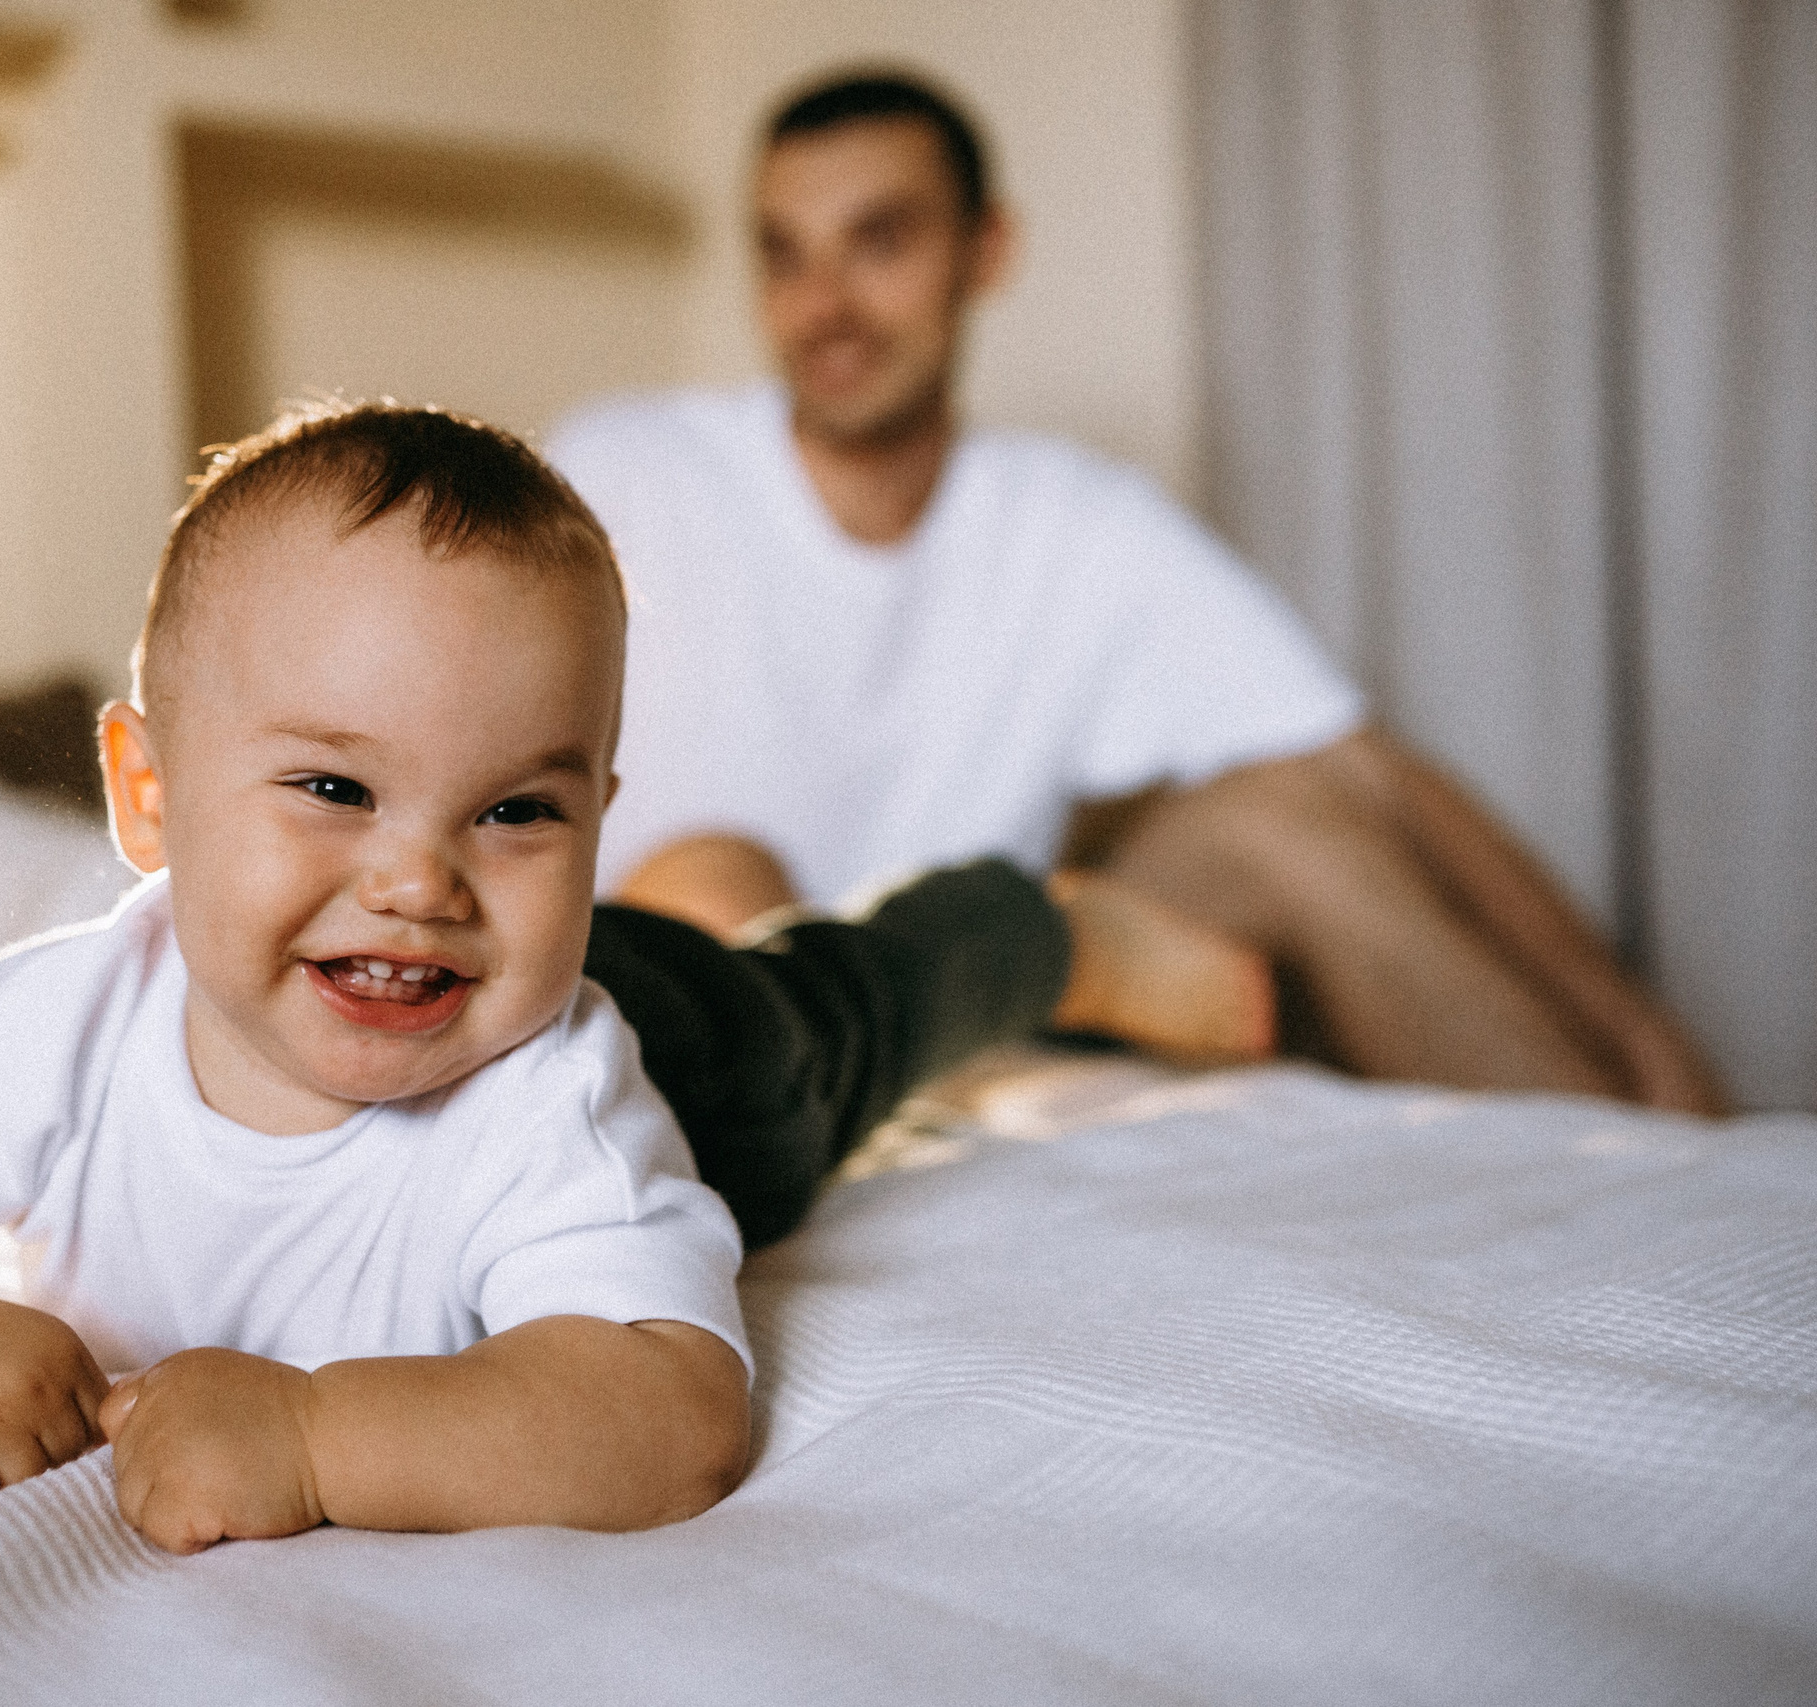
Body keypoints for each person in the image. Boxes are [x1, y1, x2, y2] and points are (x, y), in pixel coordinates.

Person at [0, 402, 1263, 1556]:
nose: (419, 878)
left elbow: (665, 1408)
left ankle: (1055, 927)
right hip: (563, 949)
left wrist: (315, 1432)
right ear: (149, 792)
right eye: (331, 787)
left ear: (586, 806)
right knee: (707, 912)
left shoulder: (552, 1099)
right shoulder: (72, 1015)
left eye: (518, 806)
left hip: (697, 1051)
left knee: (850, 1000)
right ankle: (707, 881)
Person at [548, 71, 1727, 1116]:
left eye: (880, 241)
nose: (824, 305)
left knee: (1287, 819)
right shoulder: (625, 470)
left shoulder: (1071, 519)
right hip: (702, 1002)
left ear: (986, 251)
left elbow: (1367, 769)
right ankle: (790, 1101)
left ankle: (1634, 1158)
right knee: (716, 872)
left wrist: (1642, 1038)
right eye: (784, 252)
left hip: (975, 999)